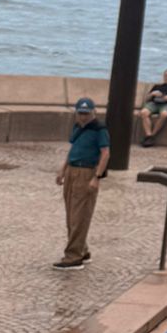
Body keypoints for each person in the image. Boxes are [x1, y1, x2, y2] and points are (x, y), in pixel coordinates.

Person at [54, 97, 109, 267]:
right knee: (72, 214)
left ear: (94, 112)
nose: (83, 116)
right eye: (81, 113)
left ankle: (73, 256)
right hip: (72, 170)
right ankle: (83, 250)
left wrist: (97, 177)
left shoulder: (100, 130)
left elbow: (105, 153)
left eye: (86, 113)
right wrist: (63, 169)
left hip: (87, 172)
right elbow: (73, 149)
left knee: (80, 215)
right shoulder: (78, 127)